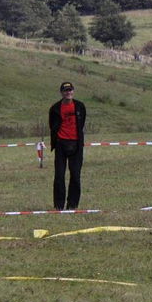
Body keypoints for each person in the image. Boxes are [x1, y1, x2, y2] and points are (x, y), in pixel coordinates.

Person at [49, 81, 86, 210]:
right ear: (61, 93)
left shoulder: (80, 106)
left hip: (76, 144)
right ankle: (59, 206)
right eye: (65, 90)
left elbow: (81, 123)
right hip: (61, 144)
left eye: (70, 90)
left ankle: (72, 205)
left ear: (73, 91)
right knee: (59, 176)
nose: (68, 92)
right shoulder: (55, 108)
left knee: (75, 175)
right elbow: (52, 126)